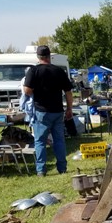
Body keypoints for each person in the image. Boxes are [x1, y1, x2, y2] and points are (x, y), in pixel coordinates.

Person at [23, 45, 73, 177]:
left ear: (38, 57)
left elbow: (27, 91)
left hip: (41, 111)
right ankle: (62, 168)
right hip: (57, 111)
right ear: (50, 56)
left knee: (40, 141)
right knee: (59, 141)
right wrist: (69, 109)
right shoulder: (59, 71)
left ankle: (41, 170)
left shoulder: (33, 71)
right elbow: (68, 92)